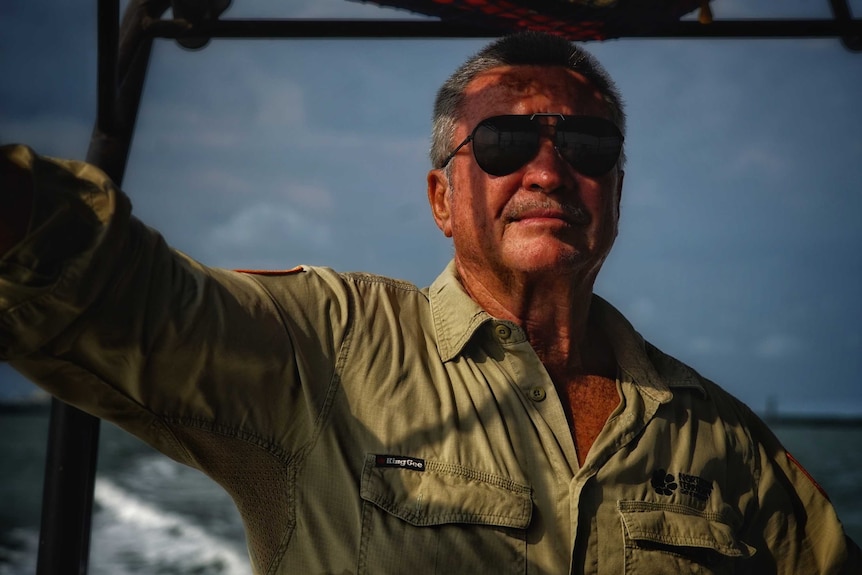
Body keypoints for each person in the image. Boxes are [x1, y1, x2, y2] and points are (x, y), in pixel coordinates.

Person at [0, 31, 859, 575]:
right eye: (506, 140)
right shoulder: (328, 347)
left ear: (617, 191)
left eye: (586, 144)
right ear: (441, 199)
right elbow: (126, 297)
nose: (550, 171)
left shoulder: (723, 440)